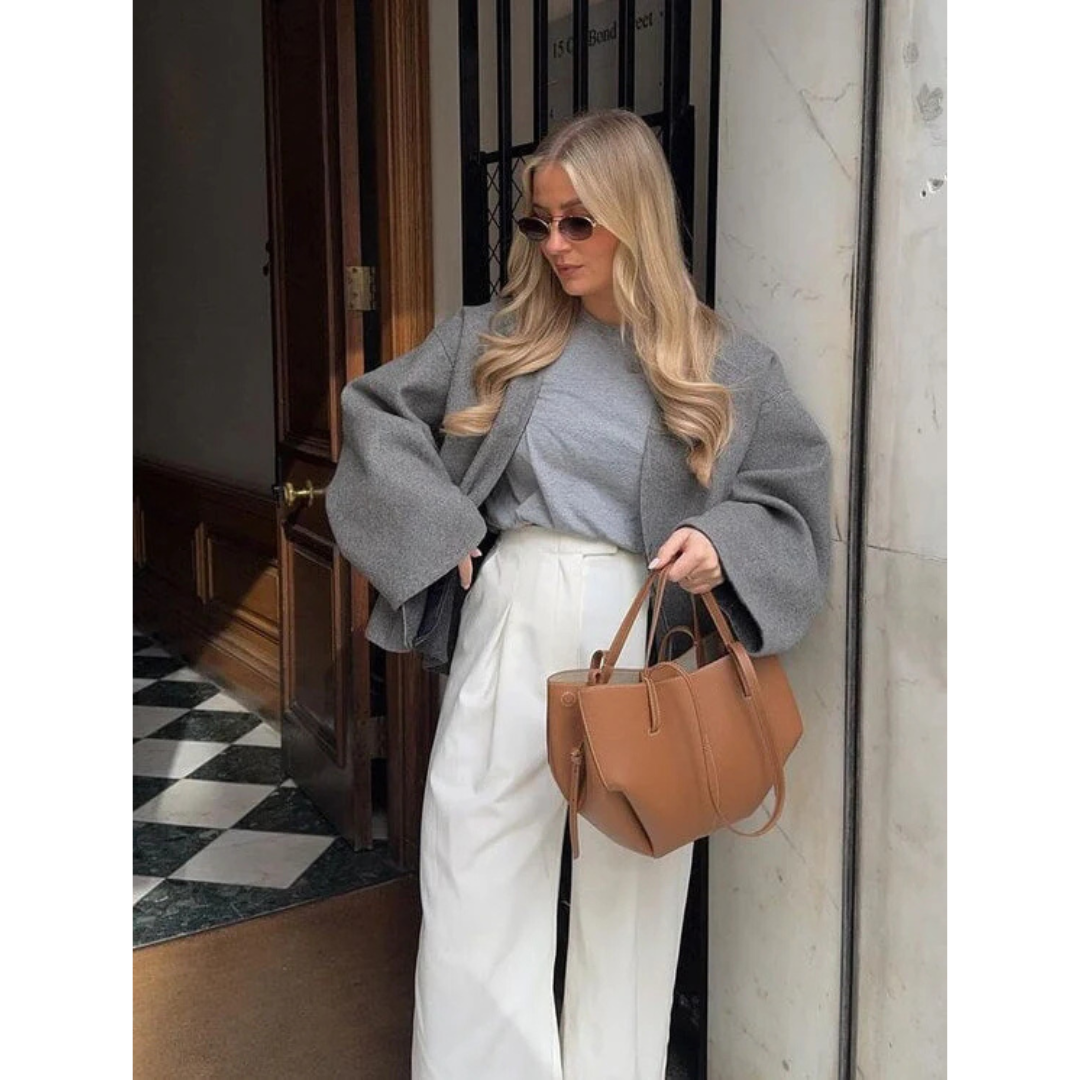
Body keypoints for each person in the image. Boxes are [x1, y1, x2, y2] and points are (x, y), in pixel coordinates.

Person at [325, 108, 831, 1080]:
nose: (554, 244)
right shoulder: (495, 337)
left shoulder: (727, 365)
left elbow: (792, 494)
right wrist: (440, 526)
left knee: (634, 886)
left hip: (643, 630)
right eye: (539, 222)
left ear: (633, 217)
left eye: (578, 223)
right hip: (512, 609)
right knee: (475, 867)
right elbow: (375, 412)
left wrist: (720, 541)